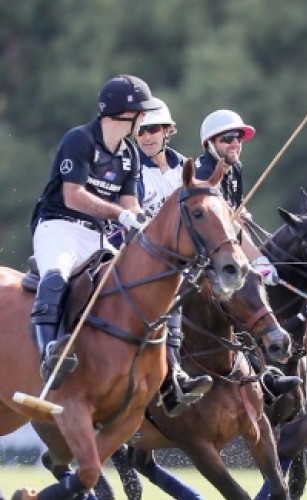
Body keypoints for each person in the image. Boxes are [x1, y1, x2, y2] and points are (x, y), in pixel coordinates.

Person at [30, 75, 160, 389]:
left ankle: (170, 377)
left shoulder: (129, 155)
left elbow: (131, 203)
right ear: (124, 114)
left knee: (145, 284)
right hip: (58, 226)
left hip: (97, 236)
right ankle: (50, 353)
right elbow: (72, 195)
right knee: (57, 275)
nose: (145, 118)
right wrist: (121, 215)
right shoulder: (80, 140)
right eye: (142, 113)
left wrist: (147, 221)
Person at [193, 109, 302, 399]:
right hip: (200, 258)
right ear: (209, 143)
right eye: (227, 139)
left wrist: (260, 260)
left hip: (224, 256)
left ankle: (265, 372)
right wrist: (253, 261)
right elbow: (219, 230)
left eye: (238, 139)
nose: (235, 144)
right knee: (244, 295)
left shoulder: (235, 169)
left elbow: (237, 222)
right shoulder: (203, 175)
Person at [133, 98, 214, 417]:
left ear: (168, 131)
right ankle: (173, 378)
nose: (148, 136)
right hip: (145, 255)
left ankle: (262, 375)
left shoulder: (186, 169)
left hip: (190, 256)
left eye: (154, 129)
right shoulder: (132, 170)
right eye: (141, 132)